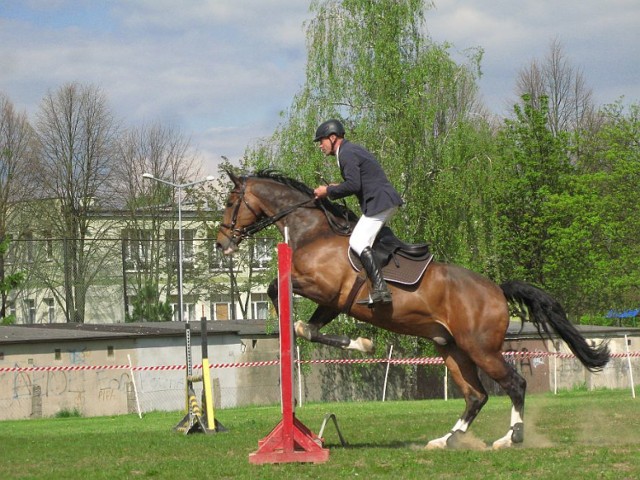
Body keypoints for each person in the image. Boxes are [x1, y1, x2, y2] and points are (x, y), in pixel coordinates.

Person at [313, 119, 403, 305]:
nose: (320, 146)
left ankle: (380, 290)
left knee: (358, 240)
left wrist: (328, 191)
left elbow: (354, 185)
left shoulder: (346, 153)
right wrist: (334, 187)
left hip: (380, 202)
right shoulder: (348, 150)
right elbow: (358, 181)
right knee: (365, 239)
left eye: (321, 141)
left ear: (332, 137)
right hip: (381, 200)